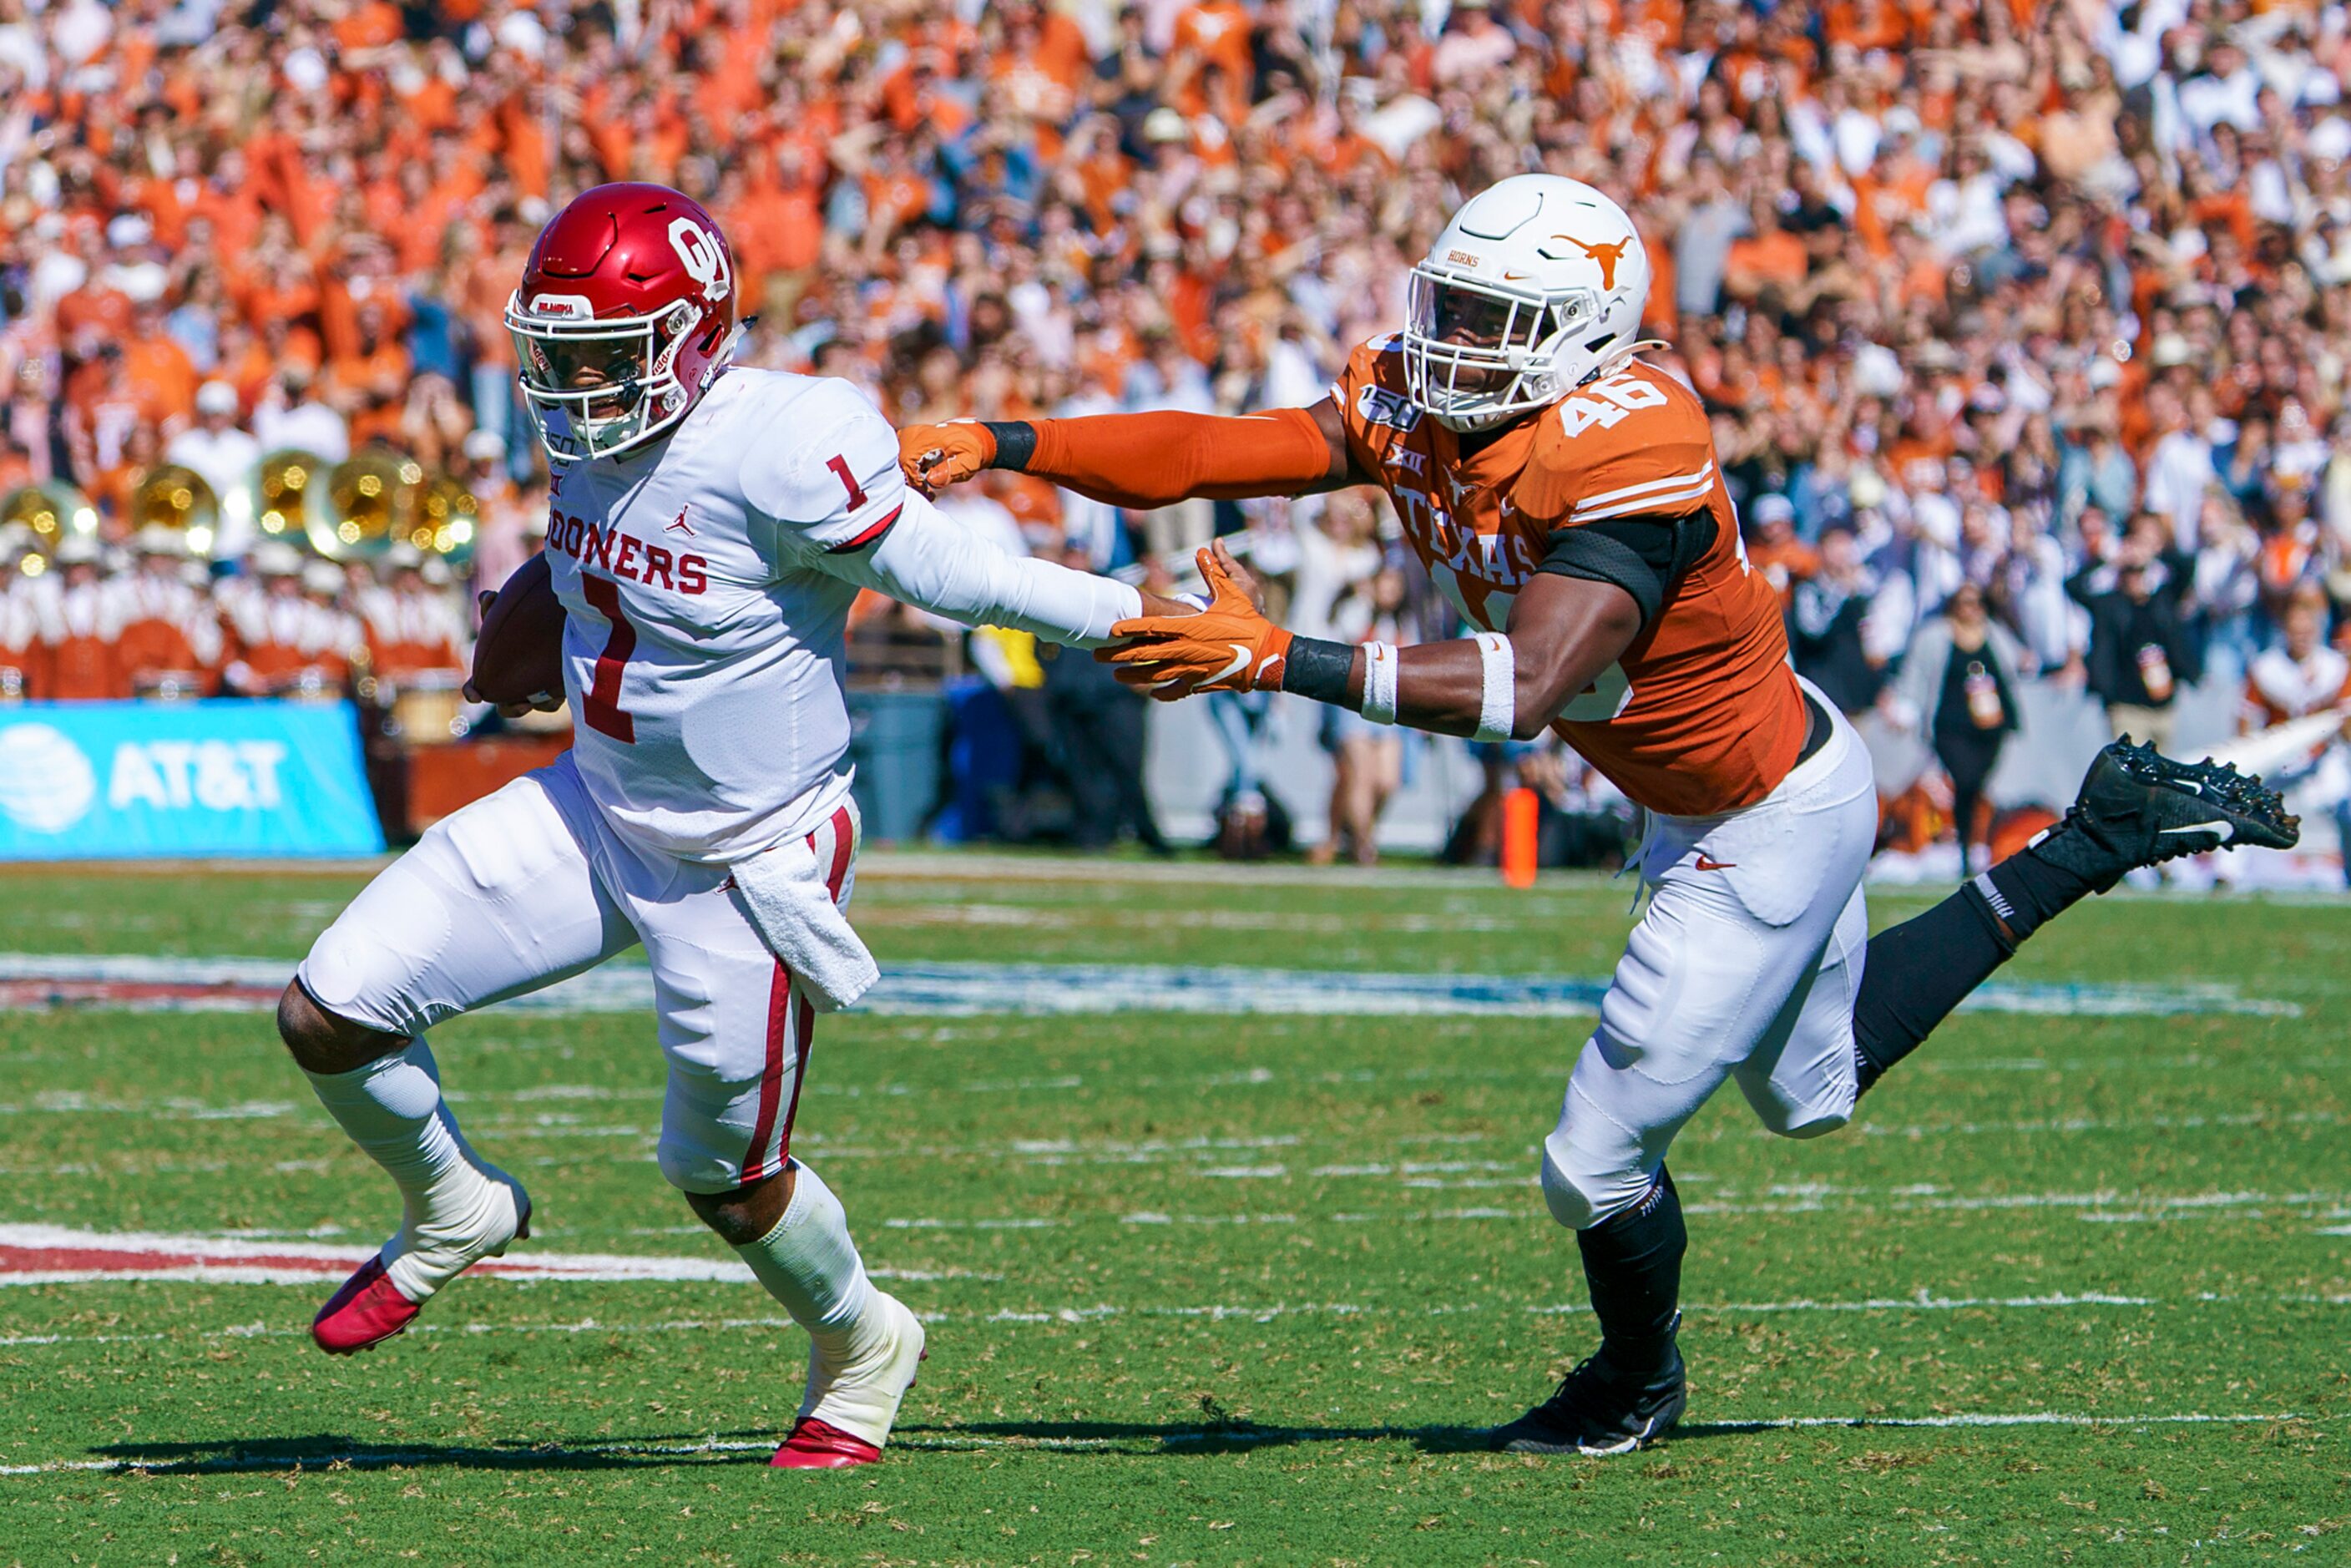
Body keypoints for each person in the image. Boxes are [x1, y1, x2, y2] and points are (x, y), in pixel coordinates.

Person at [901, 174, 2301, 1455]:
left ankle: (1633, 1381)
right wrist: (1016, 441)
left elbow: (1523, 684)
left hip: (1762, 814)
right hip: (1732, 786)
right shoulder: (1433, 406)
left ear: (1583, 333)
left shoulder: (1626, 445)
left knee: (1591, 1157)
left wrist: (1277, 655)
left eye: (1491, 318)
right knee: (1808, 1096)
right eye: (1445, 304)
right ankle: (2092, 837)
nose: (1448, 341)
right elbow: (1223, 447)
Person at [272, 185, 1190, 1471]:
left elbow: (959, 576)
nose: (576, 386)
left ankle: (863, 1336)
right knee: (331, 1009)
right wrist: (530, 617)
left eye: (605, 357)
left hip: (746, 854)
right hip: (596, 805)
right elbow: (596, 550)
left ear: (699, 337)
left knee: (728, 1178)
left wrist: (1143, 615)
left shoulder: (786, 438)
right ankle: (453, 1204)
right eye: (559, 353)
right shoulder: (596, 425)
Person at [1890, 581, 2026, 875]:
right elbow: (1915, 676)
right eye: (1964, 603)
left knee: (1978, 786)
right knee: (1964, 781)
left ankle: (1976, 845)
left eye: (1976, 603)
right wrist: (1904, 709)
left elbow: (2016, 667)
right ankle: (1966, 847)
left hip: (1990, 728)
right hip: (1951, 726)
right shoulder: (1935, 636)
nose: (1971, 609)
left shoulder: (1994, 634)